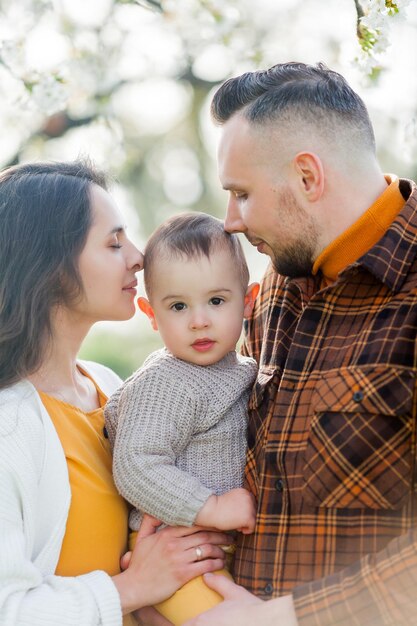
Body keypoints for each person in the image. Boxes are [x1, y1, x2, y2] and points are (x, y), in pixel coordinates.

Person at [182, 62, 417, 625]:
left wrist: (285, 618)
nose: (230, 221)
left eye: (241, 194)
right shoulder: (271, 291)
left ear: (308, 177)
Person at [0, 160, 231, 626]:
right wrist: (132, 587)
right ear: (51, 266)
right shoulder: (9, 427)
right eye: (113, 242)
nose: (138, 256)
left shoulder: (110, 387)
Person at [104, 212, 259, 625]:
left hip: (210, 551)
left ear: (249, 301)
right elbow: (136, 465)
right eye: (177, 306)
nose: (199, 320)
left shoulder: (241, 369)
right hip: (174, 552)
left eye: (216, 300)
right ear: (151, 313)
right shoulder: (166, 382)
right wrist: (211, 507)